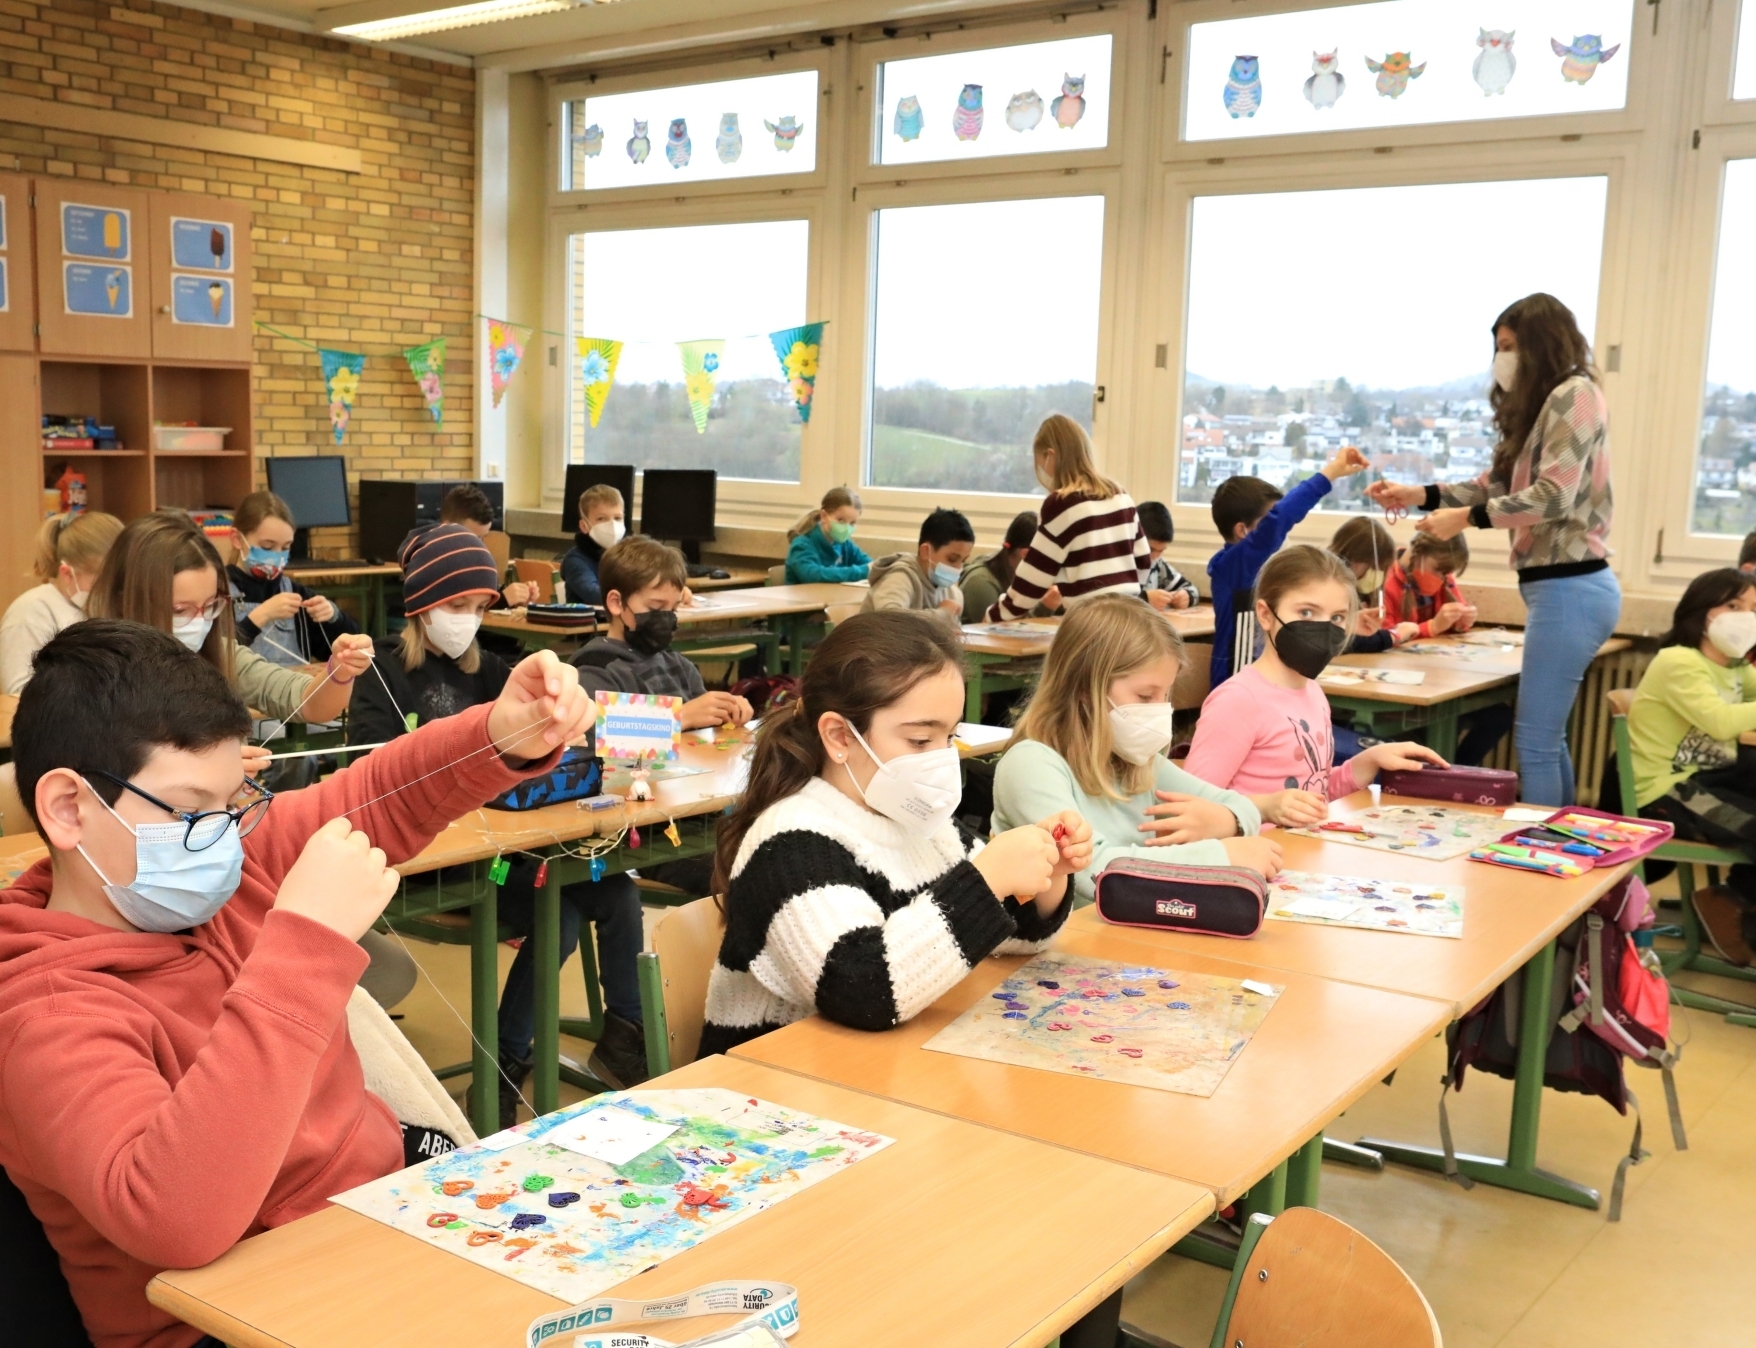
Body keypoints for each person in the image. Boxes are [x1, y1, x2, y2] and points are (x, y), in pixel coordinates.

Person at [0, 618, 591, 1348]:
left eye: (231, 804)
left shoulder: (221, 870)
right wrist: (303, 949)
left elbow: (383, 796)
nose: (221, 835)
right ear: (68, 808)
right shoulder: (45, 1012)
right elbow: (175, 1218)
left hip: (367, 1239)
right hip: (229, 1323)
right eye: (189, 812)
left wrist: (501, 734)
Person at [347, 523, 651, 1109]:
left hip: (512, 849)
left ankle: (625, 1036)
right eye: (456, 604)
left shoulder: (490, 671)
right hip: (439, 859)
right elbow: (373, 769)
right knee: (556, 916)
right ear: (422, 604)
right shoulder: (382, 672)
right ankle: (506, 1069)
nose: (468, 618)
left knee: (617, 892)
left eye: (480, 605)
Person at [697, 610, 1092, 1056]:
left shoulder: (923, 826)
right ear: (840, 736)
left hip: (873, 1070)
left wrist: (1045, 878)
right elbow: (865, 988)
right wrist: (988, 880)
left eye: (950, 736)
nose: (942, 757)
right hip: (768, 1090)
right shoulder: (789, 843)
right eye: (921, 741)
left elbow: (1010, 936)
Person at [1367, 293, 1618, 807]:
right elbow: (1494, 484)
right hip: (1559, 587)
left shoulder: (1575, 394)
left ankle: (1549, 867)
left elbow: (1553, 495)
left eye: (1509, 347)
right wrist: (1420, 497)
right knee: (1549, 740)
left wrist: (1466, 519)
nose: (1501, 360)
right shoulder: (1546, 405)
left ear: (1539, 344)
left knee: (1536, 743)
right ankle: (1564, 846)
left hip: (1572, 585)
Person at [992, 595, 1278, 902]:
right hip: (1062, 940)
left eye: (1165, 694)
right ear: (1086, 690)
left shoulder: (1137, 763)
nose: (1161, 710)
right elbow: (1093, 872)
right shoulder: (1031, 765)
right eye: (1145, 696)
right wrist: (1218, 855)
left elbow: (1242, 808)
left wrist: (1225, 820)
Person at [1185, 545, 1446, 826]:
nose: (1324, 629)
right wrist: (1263, 807)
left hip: (1301, 857)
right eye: (1307, 612)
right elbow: (1188, 806)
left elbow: (1312, 793)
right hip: (1248, 862)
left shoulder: (1313, 693)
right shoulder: (1238, 700)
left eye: (1336, 618)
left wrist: (1368, 761)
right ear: (1265, 614)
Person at [89, 510, 371, 730]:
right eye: (179, 610)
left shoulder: (220, 655)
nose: (198, 623)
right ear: (124, 600)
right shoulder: (88, 675)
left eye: (210, 606)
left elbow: (307, 703)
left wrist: (340, 671)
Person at [1626, 568, 1756, 962]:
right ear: (1702, 611)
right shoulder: (1678, 662)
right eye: (1734, 605)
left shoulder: (1733, 666)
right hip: (1669, 790)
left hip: (1711, 778)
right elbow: (1718, 720)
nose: (1746, 616)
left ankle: (1732, 897)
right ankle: (1733, 900)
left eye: (1753, 608)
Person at [1207, 446, 1371, 689]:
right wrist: (1331, 473)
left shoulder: (1265, 570)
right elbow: (1281, 518)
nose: (1280, 536)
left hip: (1273, 686)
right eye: (1267, 525)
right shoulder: (1236, 565)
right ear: (1243, 531)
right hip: (1240, 690)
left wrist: (1349, 623)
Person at [986, 414, 1151, 621]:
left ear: (1050, 455)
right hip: (1128, 616)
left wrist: (996, 614)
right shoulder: (1120, 495)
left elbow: (1033, 578)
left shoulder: (1061, 504)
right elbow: (1144, 562)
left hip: (1089, 619)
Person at [226, 490, 357, 668]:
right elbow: (213, 658)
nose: (277, 556)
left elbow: (341, 651)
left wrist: (334, 617)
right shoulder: (217, 592)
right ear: (237, 539)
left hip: (293, 693)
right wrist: (260, 616)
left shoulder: (297, 594)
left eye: (286, 547)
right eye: (267, 546)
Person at [0, 509, 122, 694]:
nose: (110, 590)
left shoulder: (106, 607)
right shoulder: (32, 610)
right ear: (67, 573)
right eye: (102, 581)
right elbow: (19, 693)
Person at [863, 507, 974, 630]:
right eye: (952, 559)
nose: (958, 568)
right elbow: (891, 622)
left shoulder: (953, 594)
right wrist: (943, 614)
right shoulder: (899, 578)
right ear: (926, 551)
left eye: (963, 561)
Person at [1327, 516, 1417, 654]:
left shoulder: (1358, 590)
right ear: (1351, 558)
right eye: (1374, 567)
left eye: (1381, 569)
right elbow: (1344, 641)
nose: (1377, 574)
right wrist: (1394, 635)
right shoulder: (1327, 587)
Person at [436, 484, 530, 608]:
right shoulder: (433, 563)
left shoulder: (478, 561)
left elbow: (485, 595)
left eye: (482, 538)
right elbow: (457, 608)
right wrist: (503, 599)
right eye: (471, 538)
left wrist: (517, 597)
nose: (479, 546)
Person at [1383, 533, 1478, 639]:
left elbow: (1457, 621)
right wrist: (1433, 627)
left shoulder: (1444, 577)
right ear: (1419, 554)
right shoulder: (1384, 581)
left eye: (1447, 572)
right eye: (1438, 570)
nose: (1442, 579)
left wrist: (1461, 621)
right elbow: (1384, 638)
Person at [960, 510, 1039, 622]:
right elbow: (995, 633)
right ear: (1025, 554)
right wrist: (1046, 606)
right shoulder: (980, 582)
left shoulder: (1027, 577)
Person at [785, 486, 870, 584]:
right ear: (824, 516)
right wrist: (862, 571)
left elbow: (871, 566)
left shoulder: (845, 544)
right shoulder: (802, 544)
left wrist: (877, 568)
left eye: (852, 523)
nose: (846, 527)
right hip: (803, 598)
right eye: (841, 520)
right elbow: (812, 575)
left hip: (834, 598)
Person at [561, 483, 625, 607]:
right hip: (590, 624)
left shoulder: (628, 555)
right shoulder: (575, 560)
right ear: (584, 526)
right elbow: (594, 595)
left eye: (617, 518)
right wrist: (638, 598)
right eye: (601, 519)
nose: (612, 525)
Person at [1137, 500, 1200, 611]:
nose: (1154, 557)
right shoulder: (1120, 563)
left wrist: (1186, 597)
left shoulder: (1158, 565)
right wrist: (1145, 599)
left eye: (1161, 551)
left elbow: (1190, 588)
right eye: (1150, 549)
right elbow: (1109, 601)